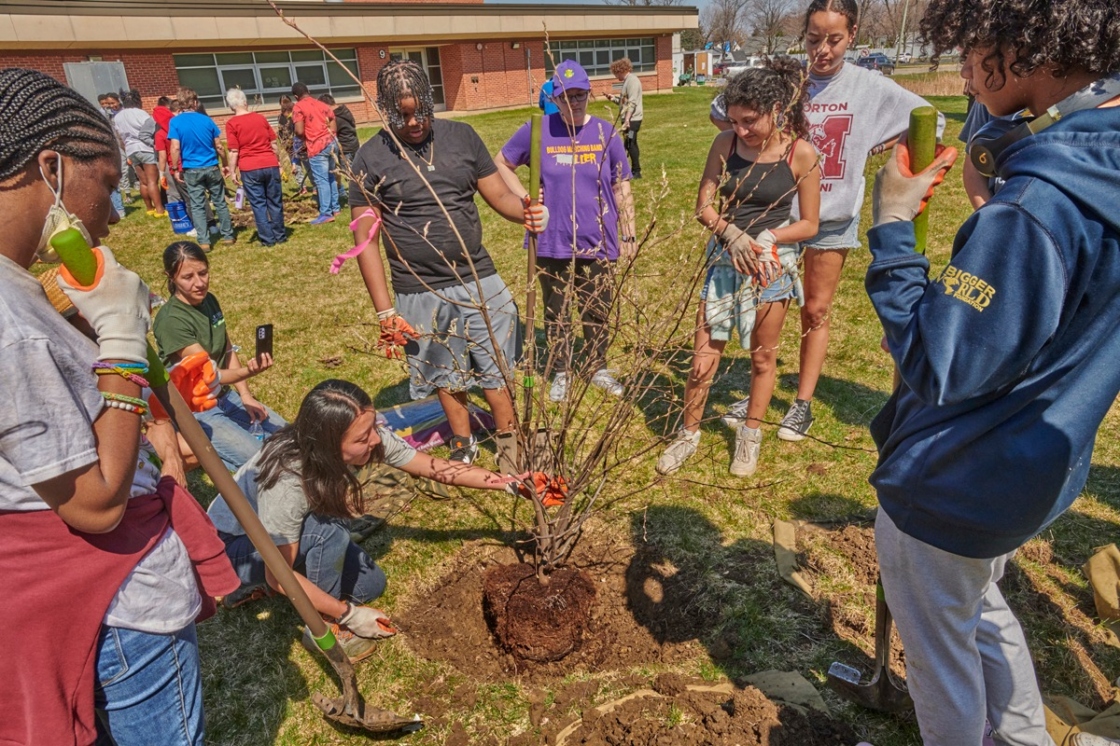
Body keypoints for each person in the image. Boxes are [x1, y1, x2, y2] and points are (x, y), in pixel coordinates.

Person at [864, 0, 1120, 742]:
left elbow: (938, 364)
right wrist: (1004, 179)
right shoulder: (1089, 174)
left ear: (1025, 46)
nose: (967, 76)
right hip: (1036, 467)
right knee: (977, 608)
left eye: (973, 54)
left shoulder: (1040, 206)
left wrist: (891, 227)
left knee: (942, 659)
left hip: (952, 480)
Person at [0, 68, 237, 746]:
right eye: (105, 183)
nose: (112, 211)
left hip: (60, 596)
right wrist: (124, 339)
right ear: (50, 168)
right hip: (115, 591)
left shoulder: (21, 293)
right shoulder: (9, 319)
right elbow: (97, 502)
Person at [724, 0, 943, 441]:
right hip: (777, 216)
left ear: (854, 34)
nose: (822, 50)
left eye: (834, 39)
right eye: (813, 39)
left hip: (831, 217)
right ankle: (758, 394)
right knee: (767, 311)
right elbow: (723, 108)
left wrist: (879, 144)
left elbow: (930, 121)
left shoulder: (869, 86)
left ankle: (802, 404)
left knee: (815, 310)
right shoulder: (786, 83)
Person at [207, 379, 527, 661]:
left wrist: (509, 482)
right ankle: (318, 625)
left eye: (373, 428)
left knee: (370, 585)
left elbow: (432, 467)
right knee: (325, 533)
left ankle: (278, 584)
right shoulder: (289, 481)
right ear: (328, 445)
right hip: (231, 546)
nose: (375, 440)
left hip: (279, 534)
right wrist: (349, 615)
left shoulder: (366, 438)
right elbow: (279, 576)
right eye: (363, 438)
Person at [347, 59, 547, 466]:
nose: (414, 121)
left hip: (478, 275)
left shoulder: (462, 138)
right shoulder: (370, 158)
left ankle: (509, 446)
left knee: (497, 367)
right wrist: (385, 310)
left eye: (420, 109)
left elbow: (498, 196)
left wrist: (524, 211)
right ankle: (463, 440)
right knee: (445, 372)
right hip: (417, 287)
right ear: (386, 110)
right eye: (402, 115)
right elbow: (364, 240)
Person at [656, 58, 820, 477]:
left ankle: (750, 438)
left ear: (776, 110)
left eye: (750, 121)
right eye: (733, 120)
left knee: (762, 359)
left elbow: (810, 223)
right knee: (702, 357)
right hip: (724, 263)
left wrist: (769, 239)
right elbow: (704, 207)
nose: (741, 130)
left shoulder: (800, 154)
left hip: (770, 269)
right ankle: (688, 434)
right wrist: (731, 234)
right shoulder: (724, 145)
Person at [495, 59, 635, 402]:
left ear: (588, 94)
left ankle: (598, 366)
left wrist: (629, 232)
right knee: (556, 309)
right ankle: (561, 370)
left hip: (598, 237)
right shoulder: (538, 130)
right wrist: (524, 196)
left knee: (597, 306)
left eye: (579, 95)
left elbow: (621, 187)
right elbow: (501, 163)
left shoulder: (606, 132)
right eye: (565, 97)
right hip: (551, 237)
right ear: (554, 98)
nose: (573, 103)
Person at [152, 241, 286, 471]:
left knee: (289, 437)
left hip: (225, 395)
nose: (199, 283)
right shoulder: (171, 321)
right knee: (261, 462)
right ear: (170, 277)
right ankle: (205, 452)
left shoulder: (209, 300)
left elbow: (226, 348)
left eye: (203, 273)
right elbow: (208, 374)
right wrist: (248, 371)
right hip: (197, 409)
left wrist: (246, 395)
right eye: (188, 277)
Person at [168, 87, 235, 250]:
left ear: (180, 104)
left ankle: (204, 240)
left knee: (197, 205)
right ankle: (228, 235)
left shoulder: (175, 122)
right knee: (220, 202)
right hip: (211, 166)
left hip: (191, 169)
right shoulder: (206, 120)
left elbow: (175, 147)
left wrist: (175, 168)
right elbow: (219, 146)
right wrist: (225, 164)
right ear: (195, 102)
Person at [224, 88, 286, 247]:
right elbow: (273, 144)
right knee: (275, 201)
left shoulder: (232, 123)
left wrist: (232, 171)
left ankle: (267, 239)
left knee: (258, 204)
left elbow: (233, 151)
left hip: (249, 167)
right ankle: (280, 235)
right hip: (269, 163)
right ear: (245, 102)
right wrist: (278, 162)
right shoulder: (260, 118)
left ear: (231, 106)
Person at [291, 81, 339, 224]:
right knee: (331, 176)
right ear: (309, 91)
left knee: (321, 180)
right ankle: (335, 207)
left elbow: (299, 131)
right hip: (331, 143)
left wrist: (306, 137)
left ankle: (326, 213)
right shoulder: (322, 104)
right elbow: (333, 123)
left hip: (316, 145)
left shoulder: (298, 107)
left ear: (295, 96)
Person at [113, 90, 164, 217]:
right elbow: (151, 129)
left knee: (143, 181)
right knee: (152, 180)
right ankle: (159, 209)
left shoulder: (118, 116)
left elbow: (119, 138)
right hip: (145, 147)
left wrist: (126, 152)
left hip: (130, 149)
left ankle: (149, 208)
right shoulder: (141, 113)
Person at [607, 57, 643, 179]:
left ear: (621, 70)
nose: (616, 76)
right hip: (628, 119)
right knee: (629, 143)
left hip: (632, 120)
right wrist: (614, 99)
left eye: (616, 73)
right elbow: (625, 103)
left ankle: (636, 171)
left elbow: (632, 103)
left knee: (630, 143)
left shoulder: (632, 81)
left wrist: (627, 119)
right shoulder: (627, 81)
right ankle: (632, 169)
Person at [320, 92, 360, 170]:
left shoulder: (335, 117)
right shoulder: (344, 111)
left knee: (350, 176)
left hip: (346, 150)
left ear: (326, 105)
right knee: (357, 172)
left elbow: (330, 132)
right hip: (354, 145)